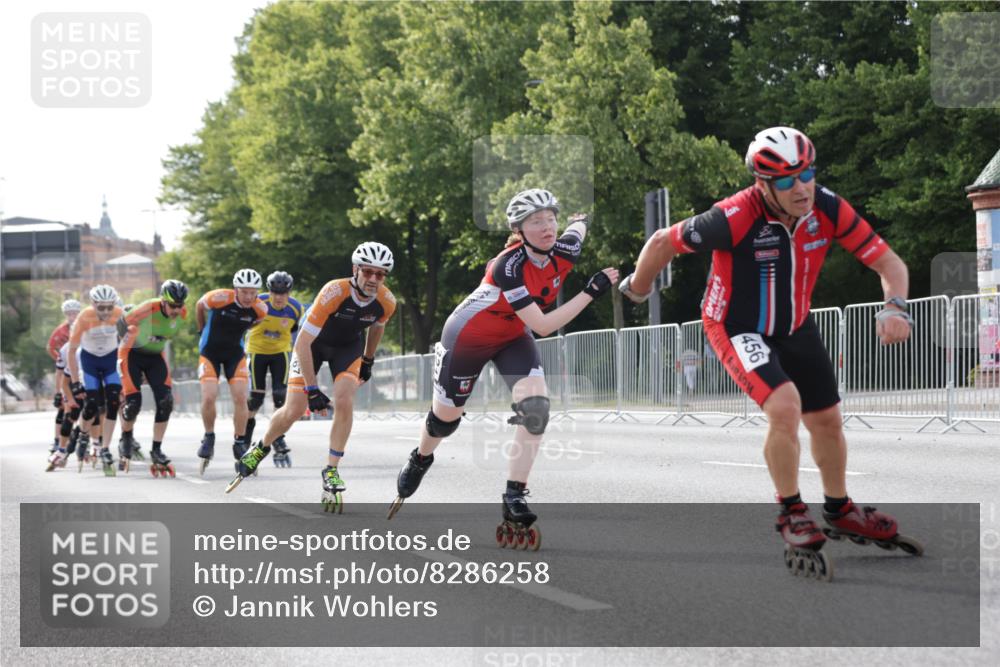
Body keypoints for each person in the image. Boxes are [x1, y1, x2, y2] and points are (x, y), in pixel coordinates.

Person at [619, 126, 920, 578]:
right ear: (762, 184)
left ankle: (839, 509)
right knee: (785, 406)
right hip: (736, 326)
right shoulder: (735, 216)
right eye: (785, 181)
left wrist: (895, 306)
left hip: (795, 325)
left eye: (807, 174)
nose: (801, 188)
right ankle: (792, 511)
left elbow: (888, 262)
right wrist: (639, 288)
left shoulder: (827, 207)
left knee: (827, 420)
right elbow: (663, 242)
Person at [386, 188, 618, 551]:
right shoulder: (507, 267)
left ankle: (514, 496)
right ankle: (420, 457)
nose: (547, 227)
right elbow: (543, 326)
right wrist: (590, 291)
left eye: (550, 219)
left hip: (511, 336)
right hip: (467, 338)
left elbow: (578, 229)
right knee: (445, 422)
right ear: (518, 231)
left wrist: (581, 221)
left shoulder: (566, 248)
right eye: (536, 222)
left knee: (537, 408)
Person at [226, 243, 397, 509]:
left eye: (380, 274)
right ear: (355, 269)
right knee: (294, 409)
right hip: (312, 346)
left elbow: (377, 328)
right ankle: (261, 446)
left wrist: (368, 359)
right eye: (368, 271)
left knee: (345, 399)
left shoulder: (387, 301)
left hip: (347, 348)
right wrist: (312, 389)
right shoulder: (334, 291)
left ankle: (331, 469)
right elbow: (303, 342)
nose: (374, 279)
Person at [194, 269, 268, 474]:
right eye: (244, 292)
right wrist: (201, 329)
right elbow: (199, 305)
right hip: (209, 352)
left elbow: (255, 322)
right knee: (209, 396)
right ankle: (209, 436)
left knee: (241, 398)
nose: (248, 297)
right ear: (236, 290)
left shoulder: (260, 309)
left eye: (253, 292)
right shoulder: (219, 297)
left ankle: (240, 441)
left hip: (235, 355)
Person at [116, 280, 189, 477]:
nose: (176, 310)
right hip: (131, 354)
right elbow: (121, 324)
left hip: (155, 356)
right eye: (172, 305)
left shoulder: (182, 313)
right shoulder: (147, 308)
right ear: (163, 301)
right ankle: (126, 438)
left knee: (166, 402)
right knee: (133, 404)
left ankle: (156, 449)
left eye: (180, 305)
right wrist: (131, 340)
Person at [243, 270, 304, 466]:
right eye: (275, 293)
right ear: (269, 292)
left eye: (283, 293)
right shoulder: (258, 303)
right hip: (257, 351)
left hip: (280, 352)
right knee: (255, 398)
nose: (279, 297)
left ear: (289, 293)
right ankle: (244, 439)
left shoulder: (296, 308)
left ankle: (277, 438)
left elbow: (294, 330)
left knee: (280, 395)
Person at [67, 285, 125, 476]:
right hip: (90, 361)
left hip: (109, 360)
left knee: (113, 402)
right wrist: (75, 382)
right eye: (101, 307)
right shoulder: (84, 317)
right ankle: (83, 434)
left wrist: (128, 372)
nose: (106, 312)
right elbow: (72, 351)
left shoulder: (120, 314)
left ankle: (105, 447)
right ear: (93, 304)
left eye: (110, 307)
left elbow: (127, 344)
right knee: (92, 404)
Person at [46, 299, 82, 452]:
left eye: (75, 313)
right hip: (65, 367)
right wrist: (60, 358)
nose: (72, 316)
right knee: (62, 407)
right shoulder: (60, 330)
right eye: (69, 314)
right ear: (65, 315)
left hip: (81, 369)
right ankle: (57, 440)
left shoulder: (84, 326)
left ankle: (84, 437)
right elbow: (50, 347)